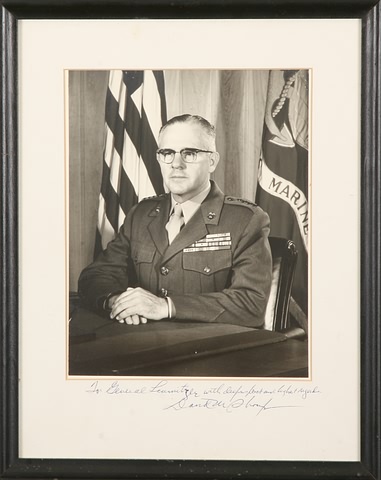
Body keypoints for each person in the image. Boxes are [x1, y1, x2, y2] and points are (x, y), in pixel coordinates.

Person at [78, 114, 272, 328]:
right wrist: (118, 302)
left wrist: (166, 306)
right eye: (167, 153)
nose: (176, 164)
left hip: (210, 350)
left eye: (190, 153)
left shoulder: (244, 220)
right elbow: (96, 275)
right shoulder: (141, 215)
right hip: (140, 342)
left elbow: (251, 304)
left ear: (212, 161)